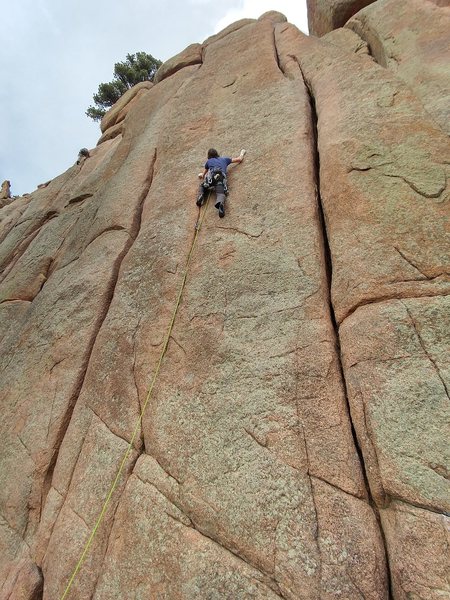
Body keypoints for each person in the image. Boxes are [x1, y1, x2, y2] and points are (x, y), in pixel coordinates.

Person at [196, 148, 245, 218]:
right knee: (220, 193)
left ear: (209, 156)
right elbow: (239, 159)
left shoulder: (209, 161)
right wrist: (242, 153)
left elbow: (204, 173)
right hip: (221, 177)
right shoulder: (225, 159)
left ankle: (201, 195)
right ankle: (220, 204)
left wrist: (202, 175)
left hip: (212, 177)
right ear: (217, 154)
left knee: (203, 186)